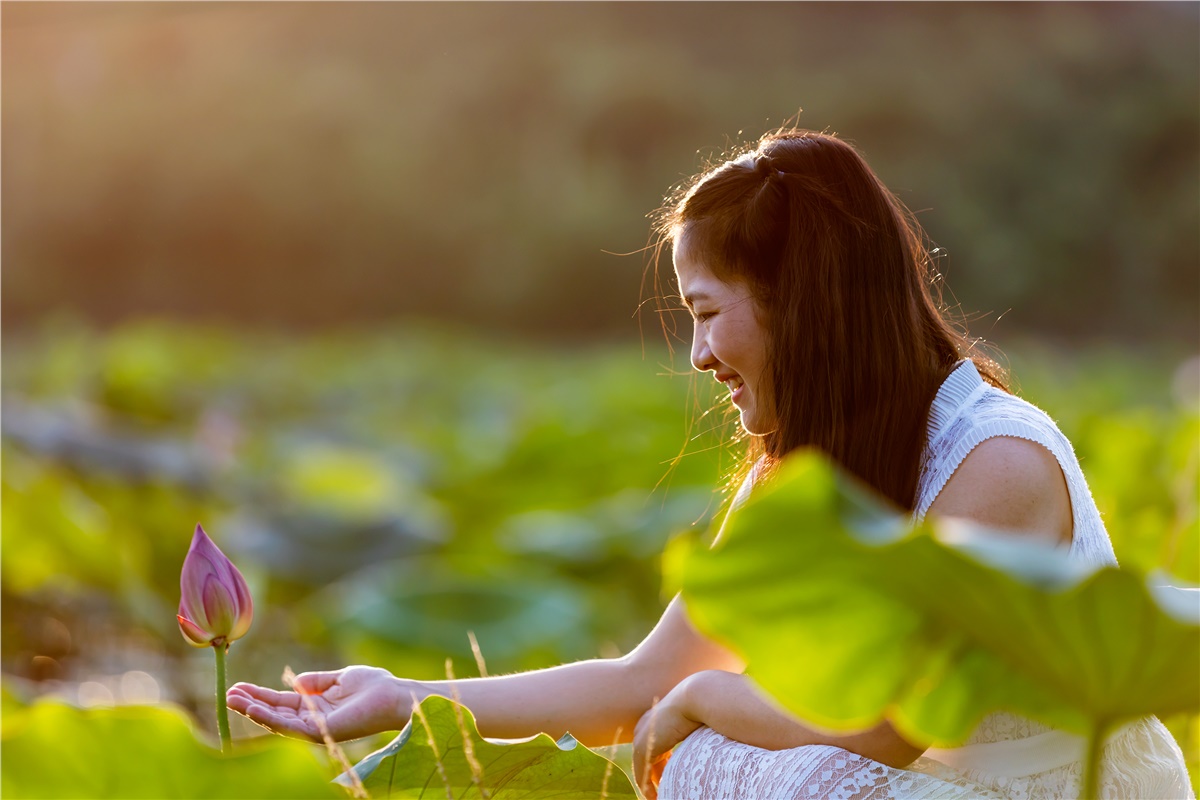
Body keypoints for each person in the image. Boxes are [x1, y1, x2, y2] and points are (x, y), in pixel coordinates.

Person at [227, 129, 1193, 799]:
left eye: (705, 313)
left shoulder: (998, 458)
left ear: (801, 303)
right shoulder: (806, 470)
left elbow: (893, 726)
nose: (696, 357)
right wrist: (408, 700)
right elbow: (643, 678)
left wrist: (708, 698)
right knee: (713, 764)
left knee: (759, 768)